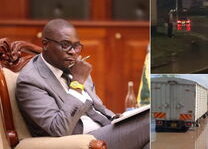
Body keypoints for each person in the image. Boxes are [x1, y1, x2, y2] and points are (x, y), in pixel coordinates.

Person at [16, 19, 149, 149]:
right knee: (152, 119)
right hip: (81, 140)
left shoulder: (72, 66)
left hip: (105, 129)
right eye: (65, 45)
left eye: (76, 46)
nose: (73, 52)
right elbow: (58, 130)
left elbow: (97, 107)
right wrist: (77, 83)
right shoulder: (31, 80)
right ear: (45, 44)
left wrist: (117, 117)